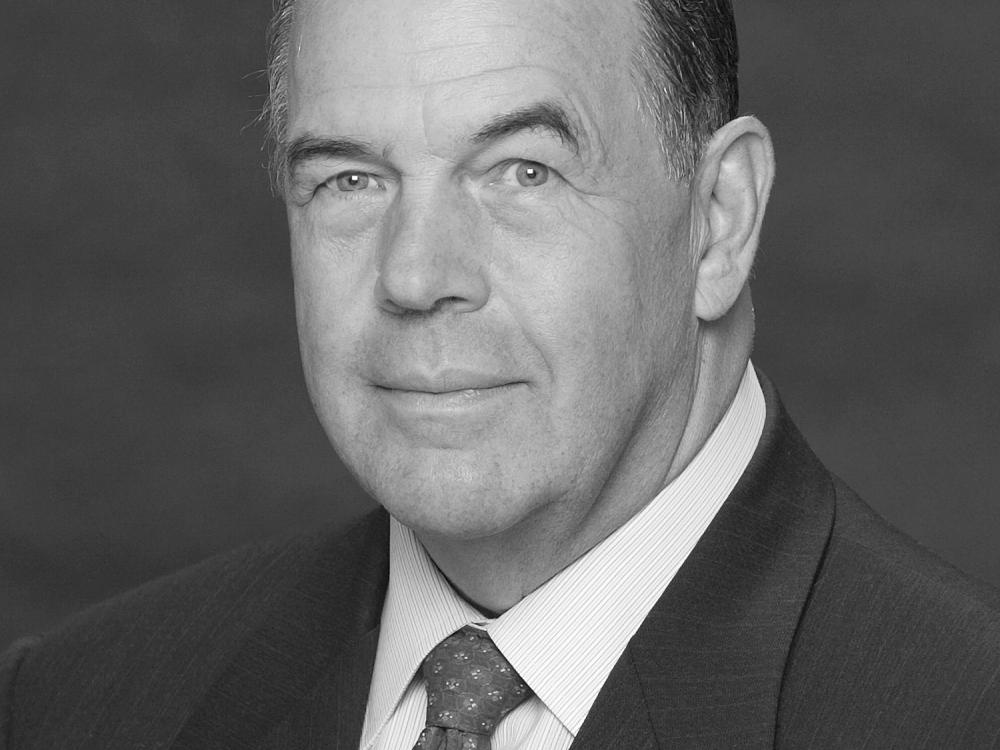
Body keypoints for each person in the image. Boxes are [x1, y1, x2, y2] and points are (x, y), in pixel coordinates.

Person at [2, 0, 998, 747]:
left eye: (522, 171)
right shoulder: (78, 707)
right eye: (350, 179)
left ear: (717, 221)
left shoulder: (953, 715)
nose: (417, 276)